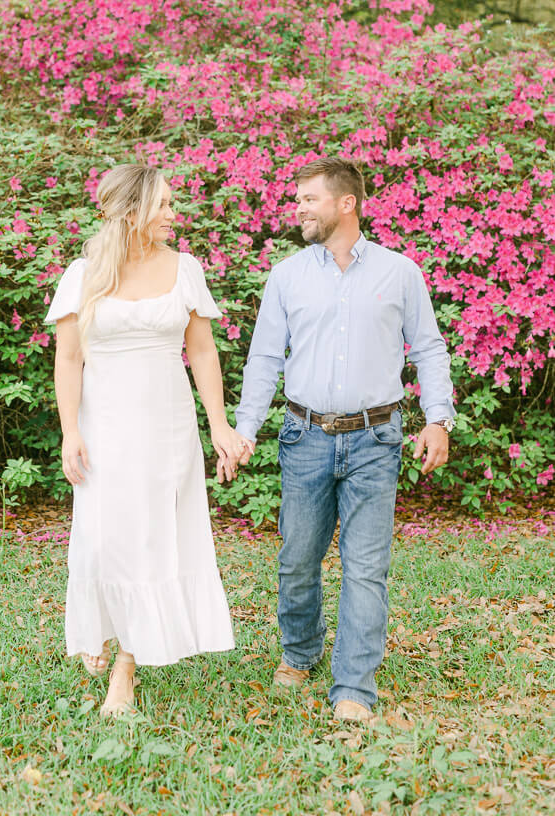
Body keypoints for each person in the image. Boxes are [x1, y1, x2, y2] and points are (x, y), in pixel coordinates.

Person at [224, 157, 455, 723]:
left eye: (309, 199)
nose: (298, 208)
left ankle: (353, 686)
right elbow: (263, 358)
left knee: (366, 567)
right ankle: (300, 653)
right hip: (305, 436)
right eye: (298, 199)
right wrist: (245, 428)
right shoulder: (288, 275)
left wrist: (437, 418)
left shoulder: (401, 273)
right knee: (298, 559)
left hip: (377, 438)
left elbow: (428, 348)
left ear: (345, 204)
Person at [45, 163, 246, 715]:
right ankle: (102, 623)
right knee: (104, 538)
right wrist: (70, 431)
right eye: (164, 205)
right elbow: (68, 359)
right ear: (132, 211)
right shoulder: (83, 275)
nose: (173, 215)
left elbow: (202, 352)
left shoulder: (184, 270)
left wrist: (219, 423)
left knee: (152, 540)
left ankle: (125, 669)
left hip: (166, 425)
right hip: (104, 426)